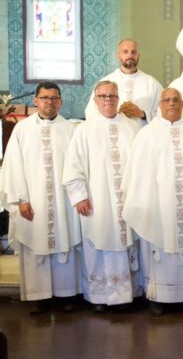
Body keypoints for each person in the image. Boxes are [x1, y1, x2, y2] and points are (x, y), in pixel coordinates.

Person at [123, 88, 183, 316]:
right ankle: (158, 297)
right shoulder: (147, 135)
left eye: (175, 100)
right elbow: (137, 172)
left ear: (182, 103)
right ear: (160, 104)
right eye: (166, 100)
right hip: (156, 202)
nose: (171, 104)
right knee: (158, 247)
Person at [1, 82, 80, 314]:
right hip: (32, 200)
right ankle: (39, 297)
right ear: (35, 101)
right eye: (45, 98)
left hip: (63, 200)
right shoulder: (22, 129)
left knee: (64, 245)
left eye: (54, 98)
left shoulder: (71, 130)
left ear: (61, 102)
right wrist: (21, 199)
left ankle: (66, 295)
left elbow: (78, 167)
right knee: (35, 246)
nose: (49, 102)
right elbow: (13, 166)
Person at [63, 81, 142, 312]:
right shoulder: (84, 130)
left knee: (128, 245)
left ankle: (129, 294)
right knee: (98, 244)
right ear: (95, 99)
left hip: (126, 201)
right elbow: (73, 165)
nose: (108, 100)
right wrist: (79, 196)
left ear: (118, 99)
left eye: (112, 96)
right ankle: (100, 297)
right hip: (97, 202)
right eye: (103, 96)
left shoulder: (132, 127)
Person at [84, 39, 162, 124]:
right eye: (125, 52)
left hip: (142, 135)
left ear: (138, 56)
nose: (130, 55)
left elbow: (165, 115)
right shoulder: (106, 83)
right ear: (118, 56)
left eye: (133, 52)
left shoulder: (152, 84)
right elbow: (91, 113)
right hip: (114, 134)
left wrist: (142, 114)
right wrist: (113, 115)